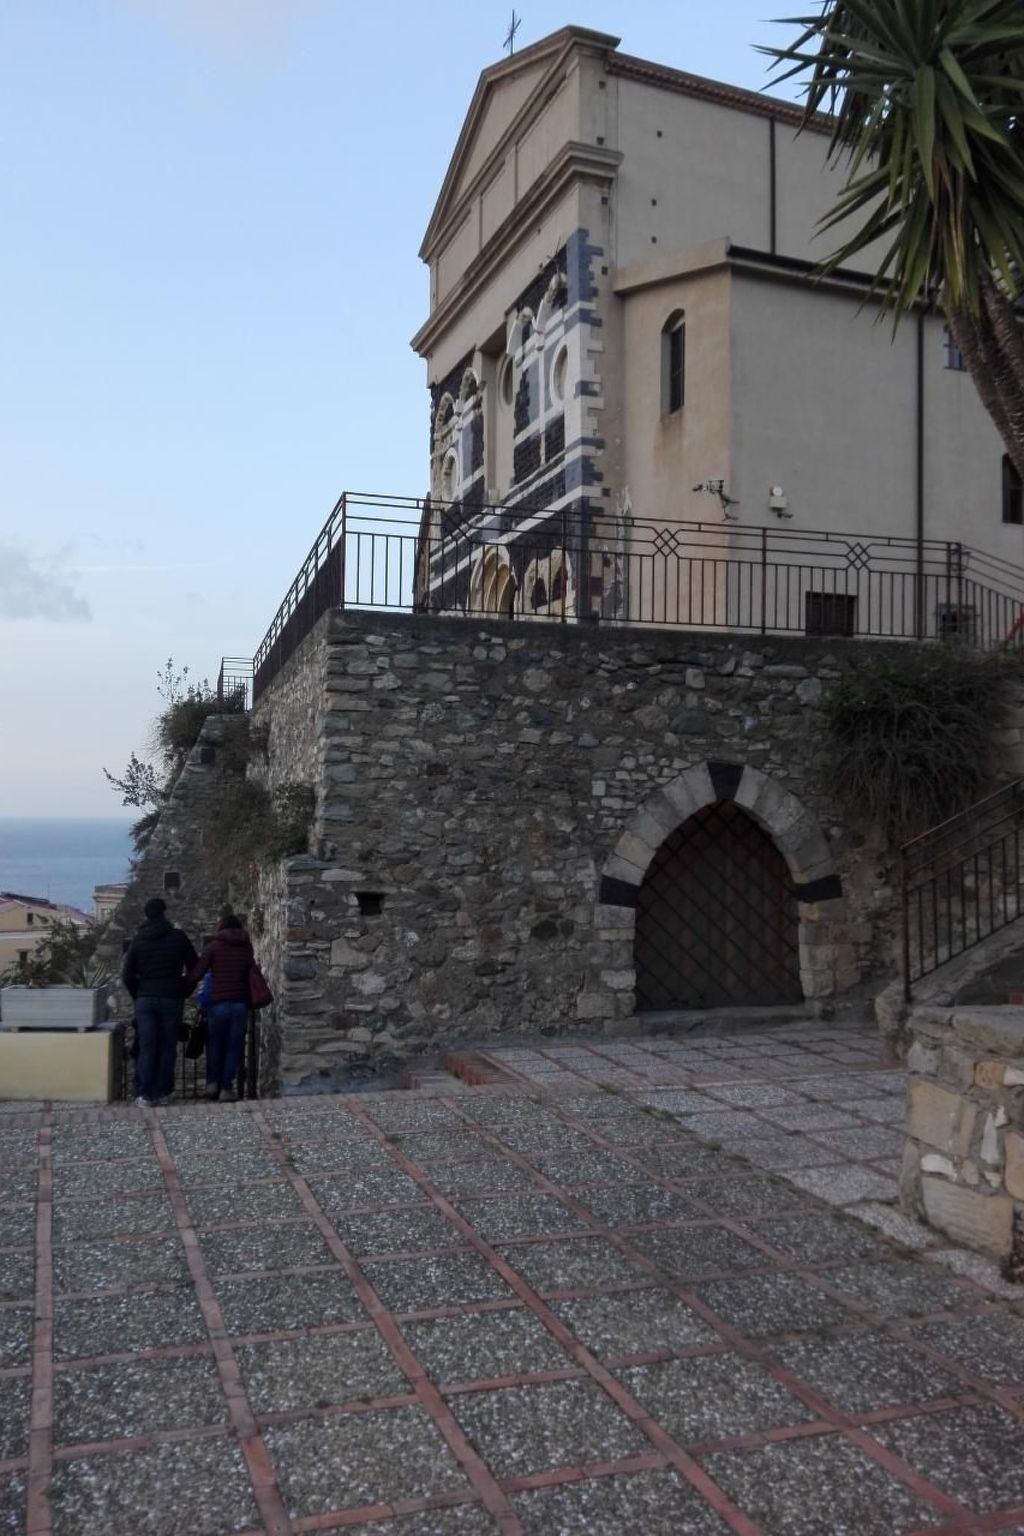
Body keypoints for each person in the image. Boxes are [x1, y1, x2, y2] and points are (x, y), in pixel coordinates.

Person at [121, 897, 198, 1108]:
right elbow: (195, 966)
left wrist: (139, 995)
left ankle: (145, 1094)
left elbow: (127, 974)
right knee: (167, 1047)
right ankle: (164, 1092)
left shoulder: (138, 941)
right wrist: (185, 988)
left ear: (146, 915)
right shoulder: (178, 937)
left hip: (146, 998)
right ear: (164, 913)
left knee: (146, 1046)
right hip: (172, 996)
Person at [187, 914, 254, 1102]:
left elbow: (197, 973)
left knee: (215, 1044)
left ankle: (212, 1083)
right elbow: (252, 971)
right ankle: (226, 1088)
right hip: (240, 1003)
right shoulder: (246, 947)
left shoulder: (213, 947)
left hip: (217, 1004)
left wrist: (182, 986)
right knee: (234, 1047)